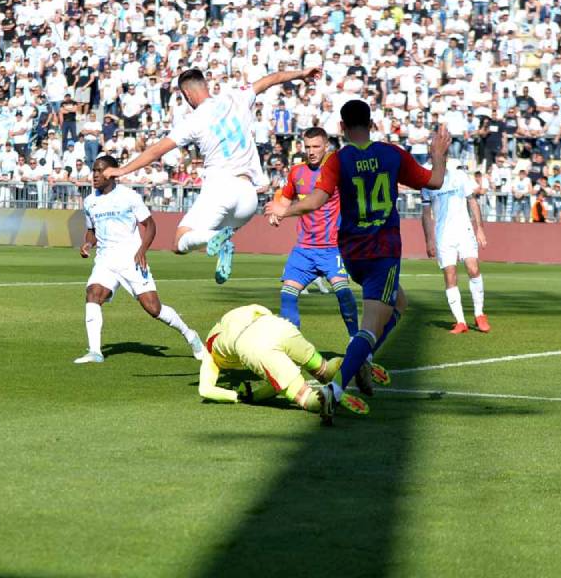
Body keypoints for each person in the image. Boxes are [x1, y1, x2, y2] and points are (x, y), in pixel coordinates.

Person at [266, 100, 449, 418]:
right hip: (382, 252)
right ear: (371, 123)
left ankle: (362, 358)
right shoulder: (391, 154)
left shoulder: (338, 160)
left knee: (399, 301)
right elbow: (435, 181)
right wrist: (438, 155)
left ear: (342, 127)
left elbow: (315, 201)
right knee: (370, 327)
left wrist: (285, 210)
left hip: (351, 254)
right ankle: (335, 390)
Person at [103, 67, 321, 284]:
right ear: (205, 85)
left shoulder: (193, 120)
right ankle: (220, 246)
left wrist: (122, 170)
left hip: (221, 189)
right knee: (218, 231)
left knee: (179, 241)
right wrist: (301, 74)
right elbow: (272, 78)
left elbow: (156, 150)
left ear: (187, 95)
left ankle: (217, 241)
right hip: (249, 198)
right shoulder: (236, 97)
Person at [76, 155, 208, 364]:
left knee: (153, 308)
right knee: (93, 293)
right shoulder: (90, 201)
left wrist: (142, 250)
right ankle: (95, 351)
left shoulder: (129, 196)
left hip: (130, 259)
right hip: (105, 260)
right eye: (94, 170)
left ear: (112, 173)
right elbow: (91, 231)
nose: (95, 175)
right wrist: (88, 244)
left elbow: (150, 225)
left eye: (100, 171)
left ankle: (191, 336)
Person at [197, 304, 384, 424]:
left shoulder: (209, 351)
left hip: (252, 346)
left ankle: (325, 396)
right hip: (276, 325)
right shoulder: (234, 314)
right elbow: (261, 310)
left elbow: (205, 390)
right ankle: (352, 362)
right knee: (324, 369)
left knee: (304, 396)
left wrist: (242, 396)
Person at [270, 127, 358, 336]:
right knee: (287, 295)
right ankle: (292, 343)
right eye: (307, 146)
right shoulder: (296, 172)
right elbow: (284, 199)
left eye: (316, 146)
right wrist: (277, 212)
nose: (311, 151)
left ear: (326, 146)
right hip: (304, 249)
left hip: (332, 248)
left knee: (343, 293)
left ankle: (356, 340)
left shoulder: (337, 171)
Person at [421, 160, 490, 334]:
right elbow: (426, 214)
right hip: (443, 235)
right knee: (450, 275)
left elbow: (472, 202)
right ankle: (460, 322)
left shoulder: (459, 176)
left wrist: (479, 228)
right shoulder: (427, 182)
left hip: (464, 231)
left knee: (473, 269)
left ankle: (479, 314)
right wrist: (429, 240)